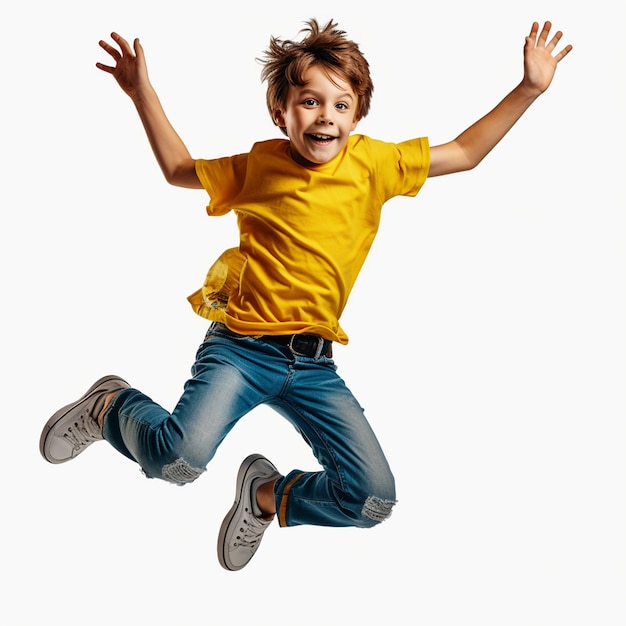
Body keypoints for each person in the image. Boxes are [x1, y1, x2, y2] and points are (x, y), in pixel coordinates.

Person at [39, 19, 572, 571]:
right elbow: (179, 169)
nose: (326, 116)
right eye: (310, 101)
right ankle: (110, 408)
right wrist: (141, 91)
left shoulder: (375, 165)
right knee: (177, 461)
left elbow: (463, 151)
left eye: (341, 105)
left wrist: (529, 88)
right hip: (240, 351)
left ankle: (264, 496)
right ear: (282, 113)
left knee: (372, 500)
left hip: (314, 366)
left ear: (358, 115)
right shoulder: (258, 166)